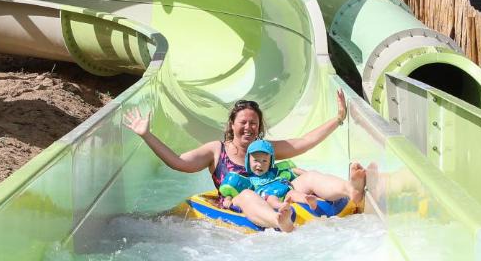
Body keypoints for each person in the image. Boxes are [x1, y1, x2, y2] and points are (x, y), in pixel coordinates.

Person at [122, 90, 367, 232]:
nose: (249, 128)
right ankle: (278, 222)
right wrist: (146, 135)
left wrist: (338, 119)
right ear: (232, 124)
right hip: (242, 202)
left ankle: (350, 189)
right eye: (243, 123)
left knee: (309, 176)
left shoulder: (265, 150)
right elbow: (178, 162)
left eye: (254, 123)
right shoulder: (216, 150)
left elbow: (304, 141)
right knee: (247, 195)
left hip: (276, 194)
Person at [217, 139, 315, 213]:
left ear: (270, 162)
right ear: (248, 162)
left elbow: (292, 171)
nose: (260, 165)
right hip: (267, 198)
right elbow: (232, 193)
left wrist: (307, 174)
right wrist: (228, 201)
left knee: (292, 193)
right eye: (256, 161)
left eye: (264, 161)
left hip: (283, 192)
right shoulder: (248, 180)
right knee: (271, 199)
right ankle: (281, 206)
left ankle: (306, 199)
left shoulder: (274, 172)